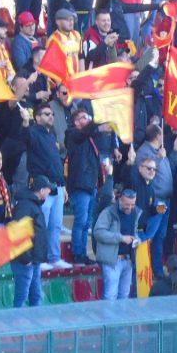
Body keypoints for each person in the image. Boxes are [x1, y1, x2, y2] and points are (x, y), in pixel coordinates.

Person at [27, 102, 68, 269]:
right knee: (40, 225)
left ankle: (54, 257)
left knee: (56, 225)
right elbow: (24, 137)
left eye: (52, 114)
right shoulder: (32, 132)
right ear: (37, 117)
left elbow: (56, 163)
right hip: (42, 185)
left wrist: (63, 186)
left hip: (57, 185)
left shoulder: (51, 135)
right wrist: (25, 122)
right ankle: (40, 259)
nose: (51, 116)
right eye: (46, 114)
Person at [65, 108, 107, 265]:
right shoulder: (72, 134)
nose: (87, 119)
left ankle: (82, 253)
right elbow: (84, 132)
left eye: (88, 117)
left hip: (90, 186)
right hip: (80, 185)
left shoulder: (89, 138)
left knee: (86, 223)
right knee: (81, 221)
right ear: (76, 122)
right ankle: (77, 253)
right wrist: (96, 119)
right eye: (84, 117)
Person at [94, 188, 144, 300]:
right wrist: (121, 238)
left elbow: (135, 231)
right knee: (110, 296)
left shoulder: (136, 212)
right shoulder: (108, 212)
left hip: (129, 259)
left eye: (132, 204)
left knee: (124, 295)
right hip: (112, 260)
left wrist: (137, 239)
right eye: (127, 204)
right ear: (120, 200)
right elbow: (98, 232)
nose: (130, 207)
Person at [11, 176, 52, 308]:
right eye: (48, 189)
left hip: (33, 260)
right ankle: (18, 321)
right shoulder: (26, 206)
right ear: (41, 190)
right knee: (21, 297)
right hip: (25, 261)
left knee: (35, 296)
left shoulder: (33, 204)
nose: (49, 192)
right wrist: (25, 258)